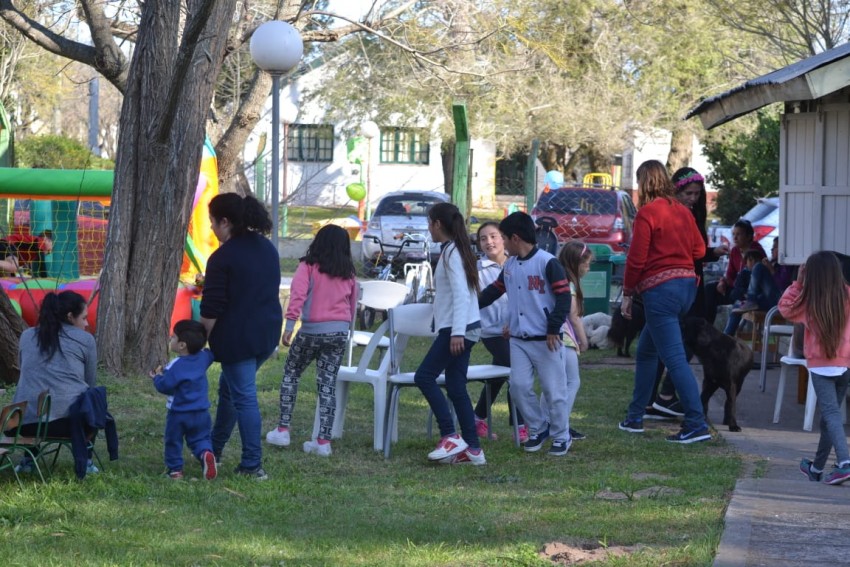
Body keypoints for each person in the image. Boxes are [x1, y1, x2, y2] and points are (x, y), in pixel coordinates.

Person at [618, 160, 711, 444]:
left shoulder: (647, 213)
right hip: (686, 290)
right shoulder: (683, 212)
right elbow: (700, 249)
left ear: (644, 183)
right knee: (647, 351)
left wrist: (628, 293)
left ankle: (696, 423)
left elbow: (636, 258)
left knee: (674, 359)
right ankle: (635, 416)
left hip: (661, 293)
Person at [200, 193, 282, 481]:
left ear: (225, 221)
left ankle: (252, 464)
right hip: (267, 334)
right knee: (230, 390)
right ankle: (214, 448)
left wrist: (198, 342)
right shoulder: (267, 248)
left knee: (244, 397)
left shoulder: (222, 258)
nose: (211, 228)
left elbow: (210, 309)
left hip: (238, 339)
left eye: (212, 222)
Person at [479, 211, 572, 456]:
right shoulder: (510, 265)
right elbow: (494, 291)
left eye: (503, 238)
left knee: (554, 391)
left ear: (515, 238)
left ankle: (562, 436)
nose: (501, 243)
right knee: (518, 387)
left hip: (546, 340)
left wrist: (554, 327)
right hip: (518, 340)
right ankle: (538, 428)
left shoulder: (548, 262)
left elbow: (564, 297)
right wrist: (469, 307)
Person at [265, 225, 357, 457]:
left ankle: (283, 429)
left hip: (311, 331)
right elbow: (353, 305)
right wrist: (347, 330)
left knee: (291, 373)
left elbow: (297, 295)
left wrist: (289, 326)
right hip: (338, 333)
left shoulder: (308, 266)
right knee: (327, 385)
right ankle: (323, 442)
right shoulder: (349, 272)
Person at [645, 167, 729, 419]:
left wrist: (712, 253)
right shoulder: (669, 214)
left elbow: (698, 250)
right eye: (689, 193)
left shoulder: (692, 214)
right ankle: (665, 400)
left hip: (691, 284)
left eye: (697, 194)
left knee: (679, 342)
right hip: (676, 285)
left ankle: (660, 398)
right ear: (675, 190)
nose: (692, 198)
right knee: (675, 343)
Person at [415, 202, 484, 465]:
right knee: (456, 386)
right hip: (465, 328)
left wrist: (457, 333)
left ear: (437, 224)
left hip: (460, 329)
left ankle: (450, 435)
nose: (428, 229)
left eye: (429, 224)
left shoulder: (452, 252)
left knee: (424, 376)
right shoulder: (455, 249)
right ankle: (474, 450)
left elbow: (461, 296)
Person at [778, 251, 850, 485]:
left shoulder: (808, 299)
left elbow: (785, 308)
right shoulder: (847, 295)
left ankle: (845, 463)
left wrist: (798, 282)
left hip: (822, 366)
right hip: (845, 364)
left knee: (831, 414)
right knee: (830, 418)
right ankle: (817, 468)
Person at [9, 290, 98, 474]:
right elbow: (90, 383)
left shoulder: (27, 336)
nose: (87, 323)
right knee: (95, 401)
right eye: (84, 318)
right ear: (70, 317)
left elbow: (23, 370)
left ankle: (29, 460)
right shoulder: (85, 340)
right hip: (67, 423)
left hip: (18, 423)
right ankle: (87, 462)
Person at [471, 222, 527, 443]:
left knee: (498, 375)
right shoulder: (478, 270)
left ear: (504, 239)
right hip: (492, 332)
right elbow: (480, 299)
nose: (489, 242)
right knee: (516, 371)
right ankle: (521, 425)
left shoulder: (518, 264)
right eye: (483, 238)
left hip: (517, 329)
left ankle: (477, 419)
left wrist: (513, 320)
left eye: (493, 236)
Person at [150, 320, 217, 481]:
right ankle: (205, 454)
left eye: (173, 338)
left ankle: (175, 470)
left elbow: (165, 386)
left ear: (182, 345)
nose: (170, 340)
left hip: (178, 413)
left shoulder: (175, 365)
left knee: (173, 440)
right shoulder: (203, 358)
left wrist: (157, 377)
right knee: (201, 438)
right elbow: (210, 354)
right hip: (201, 412)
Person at [556, 239, 593, 447]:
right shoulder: (568, 284)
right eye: (586, 264)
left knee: (555, 383)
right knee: (572, 381)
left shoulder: (558, 279)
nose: (588, 269)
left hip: (554, 337)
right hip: (565, 338)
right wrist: (583, 339)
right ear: (575, 263)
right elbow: (573, 316)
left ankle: (550, 422)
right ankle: (561, 424)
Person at [704, 219, 765, 334]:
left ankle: (727, 335)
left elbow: (753, 278)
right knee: (710, 289)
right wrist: (723, 282)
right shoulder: (735, 251)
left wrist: (731, 282)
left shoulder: (757, 251)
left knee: (737, 294)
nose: (735, 238)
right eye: (734, 234)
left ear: (748, 236)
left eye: (739, 234)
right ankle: (707, 330)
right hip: (736, 288)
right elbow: (730, 274)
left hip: (750, 293)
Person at [732, 237, 793, 314]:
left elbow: (783, 286)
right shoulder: (774, 263)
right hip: (766, 299)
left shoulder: (786, 265)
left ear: (782, 249)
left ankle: (751, 301)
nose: (771, 250)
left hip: (780, 300)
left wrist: (771, 270)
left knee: (758, 266)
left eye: (774, 247)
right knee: (738, 305)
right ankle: (732, 326)